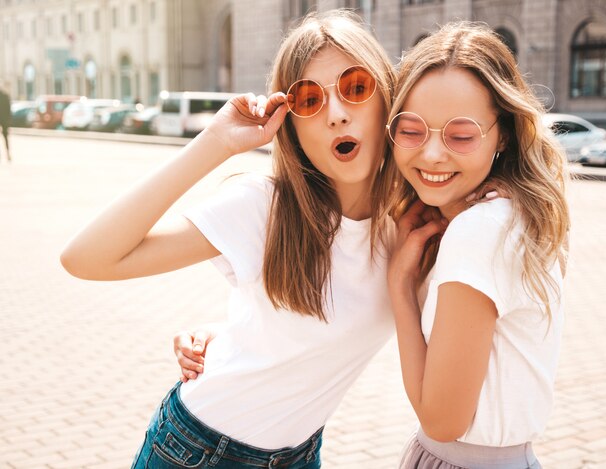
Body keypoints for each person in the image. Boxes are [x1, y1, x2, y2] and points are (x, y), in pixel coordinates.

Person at [61, 10, 398, 469]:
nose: (337, 114)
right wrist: (215, 142)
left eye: (355, 88)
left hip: (299, 455)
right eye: (309, 100)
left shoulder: (408, 222)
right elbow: (85, 258)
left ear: (387, 98)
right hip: (198, 452)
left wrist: (221, 334)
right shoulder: (265, 208)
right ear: (291, 125)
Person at [385, 22, 570, 468]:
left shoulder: (480, 231)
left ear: (503, 134)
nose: (431, 155)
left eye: (461, 135)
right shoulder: (505, 215)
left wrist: (400, 288)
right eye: (411, 130)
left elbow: (442, 421)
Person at [0, 85, 11, 163]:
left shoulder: (5, 96)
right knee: (5, 137)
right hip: (4, 120)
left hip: (3, 119)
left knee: (5, 137)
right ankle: (7, 154)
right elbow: (9, 109)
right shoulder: (6, 96)